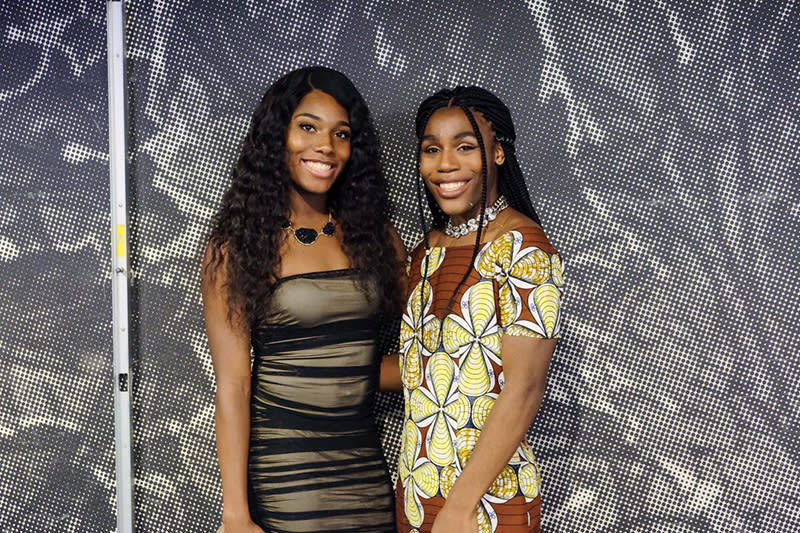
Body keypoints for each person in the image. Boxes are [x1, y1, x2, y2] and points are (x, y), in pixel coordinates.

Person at [202, 66, 405, 533]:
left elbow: (419, 345)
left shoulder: (377, 239)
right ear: (278, 137)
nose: (326, 147)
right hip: (287, 471)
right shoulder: (238, 247)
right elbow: (233, 385)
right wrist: (236, 514)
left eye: (341, 134)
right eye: (308, 127)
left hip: (363, 466)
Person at [383, 87, 564, 533]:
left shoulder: (523, 248)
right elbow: (420, 369)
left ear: (498, 152)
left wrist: (461, 506)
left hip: (484, 500)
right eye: (432, 149)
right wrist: (310, 367)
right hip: (417, 490)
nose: (446, 164)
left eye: (465, 147)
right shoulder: (425, 255)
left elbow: (524, 388)